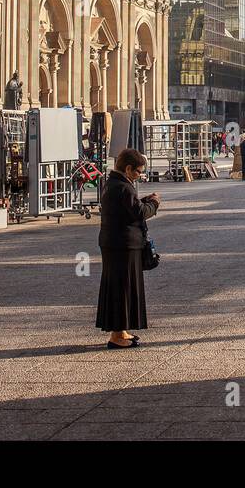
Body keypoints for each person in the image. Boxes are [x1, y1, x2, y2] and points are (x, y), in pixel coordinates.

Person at [97, 148, 160, 349]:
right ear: (128, 168)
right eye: (138, 171)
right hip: (122, 246)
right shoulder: (123, 187)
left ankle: (121, 330)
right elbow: (138, 213)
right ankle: (116, 335)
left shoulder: (114, 184)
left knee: (122, 287)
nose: (140, 175)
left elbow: (127, 208)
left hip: (116, 244)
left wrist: (144, 201)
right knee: (122, 289)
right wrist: (154, 204)